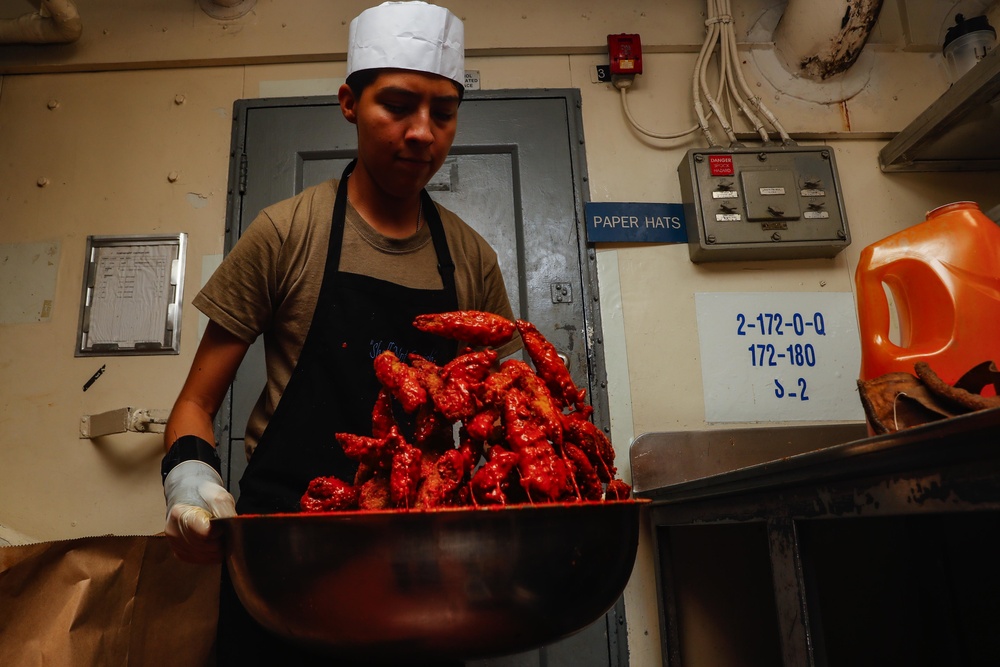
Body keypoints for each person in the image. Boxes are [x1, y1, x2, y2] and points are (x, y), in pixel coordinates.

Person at [160, 2, 520, 663]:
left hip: (418, 561)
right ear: (349, 102)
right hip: (286, 558)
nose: (422, 132)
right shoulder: (285, 233)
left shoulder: (471, 261)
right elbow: (196, 402)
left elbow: (507, 411)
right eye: (399, 105)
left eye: (443, 112)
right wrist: (190, 477)